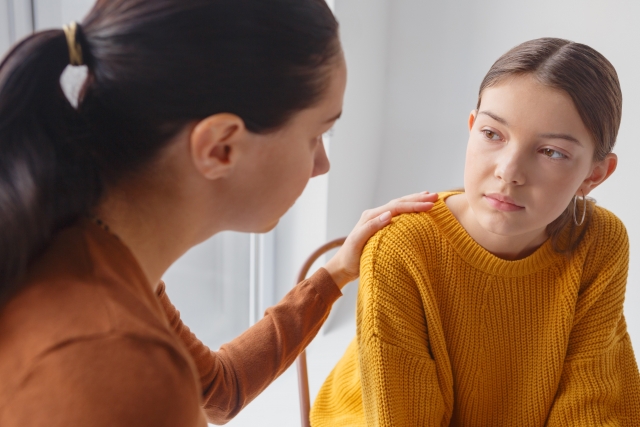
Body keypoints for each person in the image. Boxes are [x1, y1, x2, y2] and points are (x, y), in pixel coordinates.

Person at [0, 1, 438, 425]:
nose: (322, 165)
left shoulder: (91, 249)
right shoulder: (112, 359)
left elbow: (218, 391)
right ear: (220, 147)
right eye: (317, 134)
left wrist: (335, 274)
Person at [310, 38, 640, 426]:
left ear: (595, 174)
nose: (509, 171)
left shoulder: (599, 242)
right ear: (471, 128)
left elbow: (590, 401)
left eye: (551, 152)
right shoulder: (401, 248)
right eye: (492, 134)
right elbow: (401, 415)